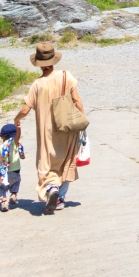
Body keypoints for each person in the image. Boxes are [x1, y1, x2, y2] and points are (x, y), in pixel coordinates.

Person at [14, 41, 87, 211]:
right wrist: (81, 123)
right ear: (53, 61)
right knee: (67, 161)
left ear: (39, 64)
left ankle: (52, 188)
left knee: (46, 164)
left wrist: (16, 119)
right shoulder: (65, 76)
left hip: (47, 132)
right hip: (67, 128)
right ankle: (60, 198)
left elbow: (26, 109)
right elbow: (77, 100)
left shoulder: (37, 85)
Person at [0, 123, 25, 212]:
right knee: (15, 183)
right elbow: (18, 136)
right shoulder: (14, 145)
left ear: (2, 137)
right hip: (15, 171)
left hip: (3, 172)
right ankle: (13, 194)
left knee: (1, 188)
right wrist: (19, 128)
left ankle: (4, 202)